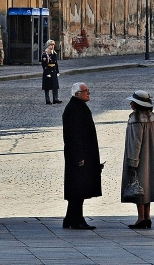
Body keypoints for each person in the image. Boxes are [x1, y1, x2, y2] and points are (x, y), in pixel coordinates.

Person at [121, 90, 154, 229]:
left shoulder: (136, 118)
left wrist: (132, 162)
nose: (130, 103)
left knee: (138, 187)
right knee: (147, 186)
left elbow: (136, 142)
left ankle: (141, 218)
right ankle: (147, 216)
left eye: (132, 101)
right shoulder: (150, 116)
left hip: (139, 158)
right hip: (150, 157)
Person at [62, 82, 103, 229]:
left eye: (88, 90)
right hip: (79, 157)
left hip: (83, 155)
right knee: (78, 190)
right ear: (77, 94)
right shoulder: (74, 109)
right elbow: (74, 136)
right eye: (85, 91)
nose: (88, 93)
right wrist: (79, 156)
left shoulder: (78, 107)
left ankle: (69, 219)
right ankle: (77, 220)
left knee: (77, 189)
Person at [40, 40, 61, 104]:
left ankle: (55, 99)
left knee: (55, 86)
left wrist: (57, 71)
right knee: (47, 86)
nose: (52, 46)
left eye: (53, 45)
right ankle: (47, 100)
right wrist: (47, 73)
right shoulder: (45, 54)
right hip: (48, 71)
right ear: (48, 46)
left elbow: (56, 63)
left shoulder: (54, 53)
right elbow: (44, 65)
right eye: (51, 45)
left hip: (54, 71)